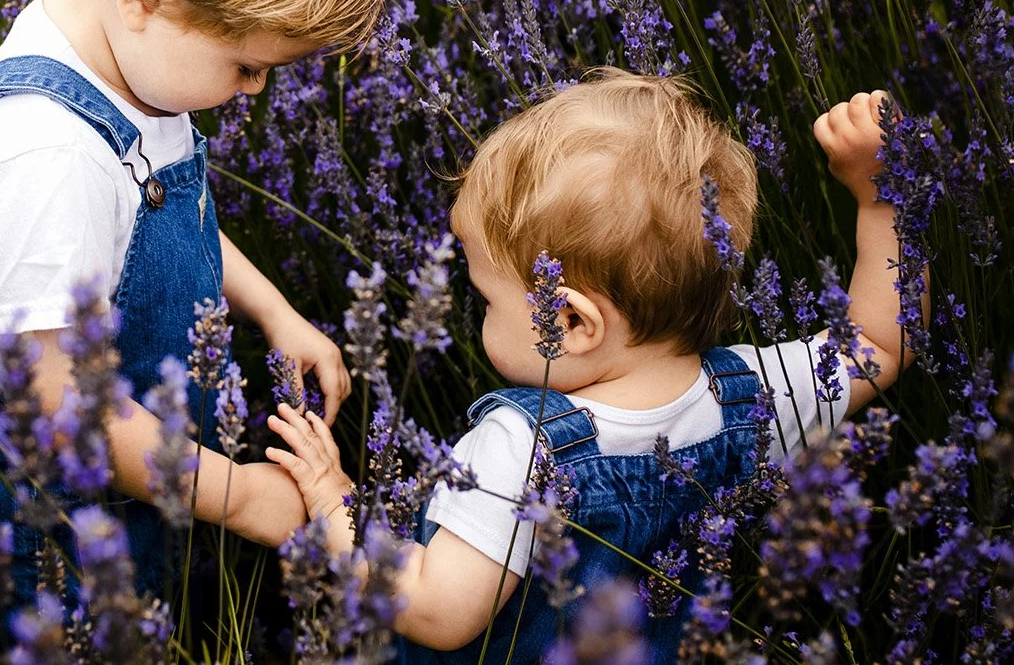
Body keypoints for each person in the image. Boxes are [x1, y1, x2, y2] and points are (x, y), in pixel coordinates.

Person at [0, 0, 385, 645]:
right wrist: (248, 498)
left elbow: (166, 213)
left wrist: (275, 310)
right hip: (68, 536)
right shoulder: (48, 155)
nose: (255, 91)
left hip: (160, 479)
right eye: (248, 65)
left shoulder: (137, 68)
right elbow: (67, 405)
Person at [267, 71, 919, 662]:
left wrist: (334, 500)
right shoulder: (747, 397)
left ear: (573, 322)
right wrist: (880, 196)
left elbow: (437, 609)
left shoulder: (518, 448)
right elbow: (881, 344)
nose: (478, 312)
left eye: (487, 298)